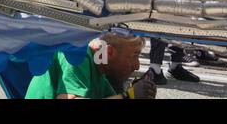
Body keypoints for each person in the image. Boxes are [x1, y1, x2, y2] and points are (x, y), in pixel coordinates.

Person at [26, 34, 157, 99]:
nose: (137, 65)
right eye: (134, 55)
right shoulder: (77, 57)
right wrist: (128, 96)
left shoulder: (101, 75)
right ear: (109, 52)